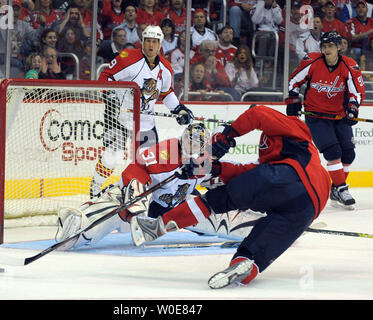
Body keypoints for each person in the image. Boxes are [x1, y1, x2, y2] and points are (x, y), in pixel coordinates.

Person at [130, 104, 331, 288]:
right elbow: (255, 172)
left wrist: (225, 137)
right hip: (309, 207)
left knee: (216, 200)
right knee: (257, 247)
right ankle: (243, 265)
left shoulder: (294, 127)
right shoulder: (277, 151)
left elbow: (257, 113)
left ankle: (156, 226)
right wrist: (215, 168)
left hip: (294, 175)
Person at [55, 123, 264, 250]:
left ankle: (260, 229)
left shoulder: (205, 161)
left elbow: (228, 175)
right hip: (141, 206)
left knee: (216, 212)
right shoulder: (167, 151)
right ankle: (77, 228)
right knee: (114, 207)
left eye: (196, 143)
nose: (191, 146)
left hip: (174, 211)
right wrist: (136, 206)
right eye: (188, 141)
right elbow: (135, 171)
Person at [90, 25, 194, 198]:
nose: (151, 45)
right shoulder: (127, 57)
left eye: (155, 42)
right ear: (143, 42)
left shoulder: (166, 68)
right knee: (113, 156)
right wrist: (109, 94)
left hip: (145, 121)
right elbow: (106, 76)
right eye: (148, 41)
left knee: (148, 161)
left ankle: (134, 193)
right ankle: (95, 189)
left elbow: (166, 92)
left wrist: (178, 109)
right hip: (120, 117)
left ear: (160, 44)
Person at [287, 31, 365, 209]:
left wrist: (353, 108)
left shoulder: (349, 65)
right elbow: (294, 81)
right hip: (316, 116)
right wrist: (293, 100)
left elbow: (357, 92)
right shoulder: (313, 61)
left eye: (330, 46)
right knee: (333, 152)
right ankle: (342, 189)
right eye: (324, 46)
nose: (326, 49)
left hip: (339, 115)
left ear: (339, 47)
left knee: (348, 154)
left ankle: (336, 189)